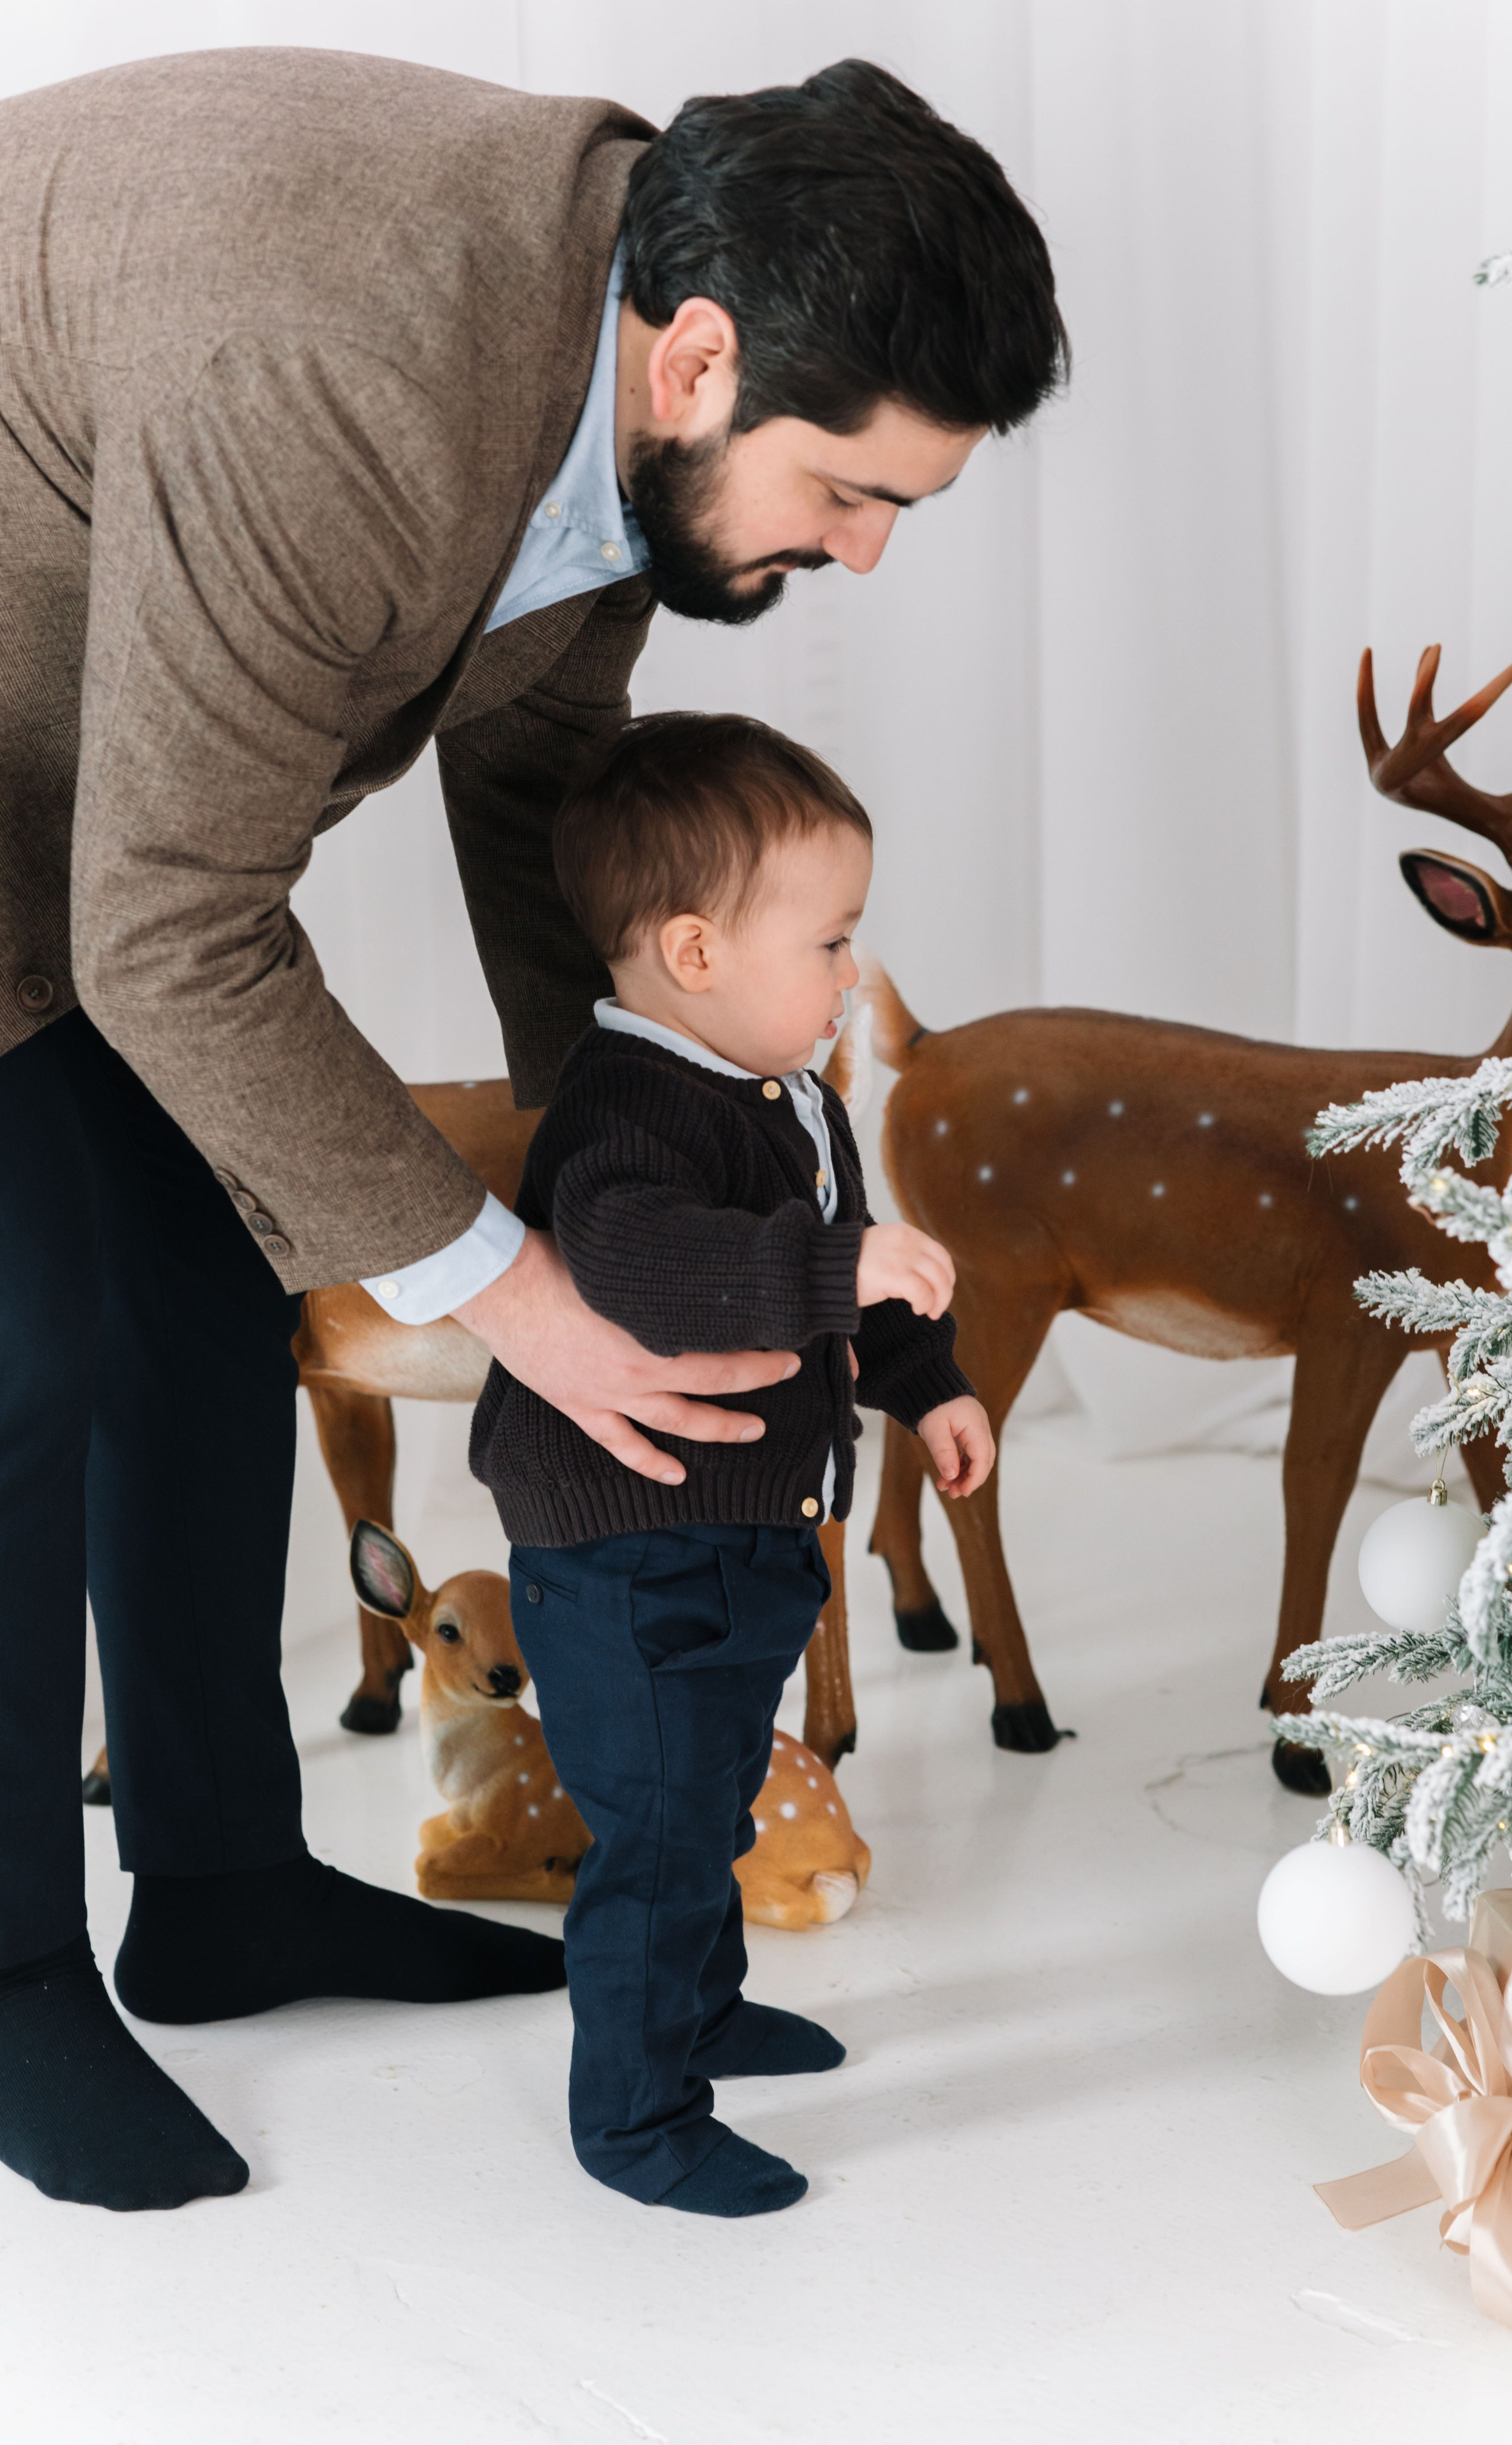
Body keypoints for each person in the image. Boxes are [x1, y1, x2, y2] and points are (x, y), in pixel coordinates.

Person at [0, 47, 1064, 2212]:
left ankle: (214, 1888)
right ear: (703, 359)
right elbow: (172, 927)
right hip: (81, 824)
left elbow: (532, 780)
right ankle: (13, 1983)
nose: (858, 556)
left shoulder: (613, 367)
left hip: (96, 783)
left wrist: (636, 1156)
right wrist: (525, 1298)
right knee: (26, 1341)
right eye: (855, 493)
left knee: (202, 1288)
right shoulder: (350, 381)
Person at [467, 712, 994, 2216]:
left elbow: (848, 1288)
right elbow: (650, 1267)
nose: (851, 978)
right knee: (657, 1836)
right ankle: (637, 2118)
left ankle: (703, 2013)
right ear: (695, 956)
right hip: (627, 1560)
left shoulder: (791, 1092)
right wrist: (839, 1268)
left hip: (738, 1544)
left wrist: (926, 1386)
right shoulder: (625, 1109)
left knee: (708, 1802)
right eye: (829, 943)